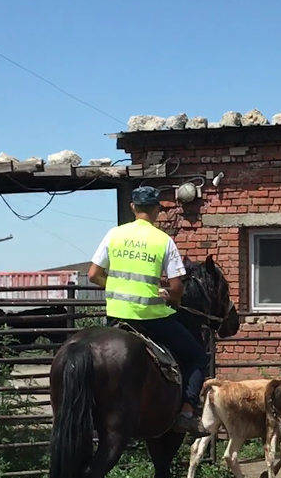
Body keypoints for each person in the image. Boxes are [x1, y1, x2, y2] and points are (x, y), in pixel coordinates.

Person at [87, 185, 206, 434]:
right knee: (196, 355)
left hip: (117, 317)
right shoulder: (163, 240)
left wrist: (118, 286)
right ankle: (186, 411)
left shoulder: (113, 234)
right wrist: (171, 298)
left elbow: (93, 275)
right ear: (156, 211)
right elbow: (176, 287)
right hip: (150, 318)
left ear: (133, 207)